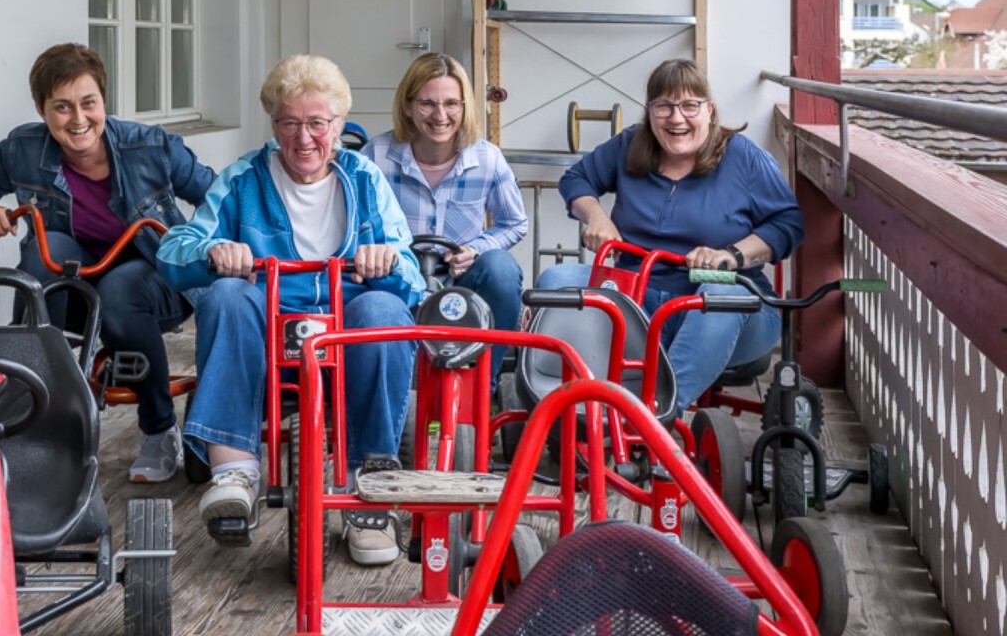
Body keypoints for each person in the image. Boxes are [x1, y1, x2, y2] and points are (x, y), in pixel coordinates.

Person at [157, 54, 425, 565]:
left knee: (386, 309)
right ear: (274, 124)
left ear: (339, 125)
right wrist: (211, 252)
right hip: (268, 316)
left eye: (317, 124)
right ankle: (234, 469)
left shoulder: (364, 179)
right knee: (228, 296)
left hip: (347, 318)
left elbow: (412, 274)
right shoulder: (244, 178)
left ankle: (369, 487)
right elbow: (173, 250)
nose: (304, 138)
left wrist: (385, 260)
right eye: (290, 123)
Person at [0, 42, 215, 483]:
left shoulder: (150, 146)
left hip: (155, 278)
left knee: (120, 291)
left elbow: (222, 198)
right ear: (41, 109)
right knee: (40, 253)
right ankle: (37, 416)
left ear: (103, 101)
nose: (78, 119)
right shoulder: (23, 149)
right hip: (76, 285)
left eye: (88, 103)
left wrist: (201, 242)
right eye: (62, 107)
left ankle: (158, 429)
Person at [536, 58, 805, 412]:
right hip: (636, 298)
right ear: (650, 112)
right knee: (556, 280)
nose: (676, 118)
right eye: (663, 106)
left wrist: (732, 255)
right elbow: (576, 180)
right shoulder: (631, 145)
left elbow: (789, 223)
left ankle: (653, 416)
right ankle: (565, 408)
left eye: (689, 105)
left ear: (709, 110)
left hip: (723, 308)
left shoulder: (744, 157)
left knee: (721, 294)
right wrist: (597, 216)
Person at [361, 53, 528, 381]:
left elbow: (515, 222)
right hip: (397, 280)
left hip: (461, 280)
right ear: (407, 105)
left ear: (464, 107)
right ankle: (398, 388)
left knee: (501, 268)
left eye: (452, 103)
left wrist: (476, 248)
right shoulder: (376, 156)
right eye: (427, 103)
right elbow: (355, 226)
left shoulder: (487, 159)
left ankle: (483, 385)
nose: (440, 115)